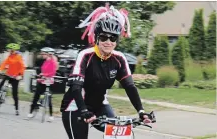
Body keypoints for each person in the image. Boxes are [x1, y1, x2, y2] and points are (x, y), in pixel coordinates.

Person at [60, 5, 154, 139]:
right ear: (97, 38)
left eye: (113, 38)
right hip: (76, 106)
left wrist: (141, 111)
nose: (108, 42)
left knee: (117, 133)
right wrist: (84, 110)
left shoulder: (119, 58)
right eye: (103, 37)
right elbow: (76, 87)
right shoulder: (86, 55)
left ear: (117, 40)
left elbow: (130, 87)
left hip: (100, 105)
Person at [27, 47, 57, 122]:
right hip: (42, 80)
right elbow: (43, 70)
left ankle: (51, 115)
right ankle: (30, 112)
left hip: (48, 81)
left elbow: (53, 72)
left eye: (44, 54)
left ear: (49, 54)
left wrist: (45, 74)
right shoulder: (45, 61)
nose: (42, 55)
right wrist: (41, 74)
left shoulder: (53, 62)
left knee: (49, 98)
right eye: (42, 53)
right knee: (36, 96)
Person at [0, 43, 25, 115]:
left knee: (14, 94)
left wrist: (20, 75)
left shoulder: (19, 57)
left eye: (11, 50)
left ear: (15, 50)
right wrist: (0, 69)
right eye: (9, 50)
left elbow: (22, 67)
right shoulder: (10, 56)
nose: (9, 51)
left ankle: (17, 109)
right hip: (9, 74)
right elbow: (4, 63)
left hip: (16, 77)